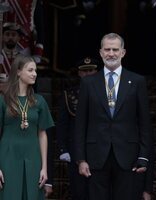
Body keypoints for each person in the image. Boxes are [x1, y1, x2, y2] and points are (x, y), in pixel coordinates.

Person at [74, 33, 153, 200]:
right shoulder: (88, 83)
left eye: (115, 49)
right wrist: (81, 159)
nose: (111, 53)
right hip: (95, 155)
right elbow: (80, 124)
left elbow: (145, 123)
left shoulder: (137, 81)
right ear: (101, 52)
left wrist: (144, 156)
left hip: (128, 155)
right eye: (107, 49)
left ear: (123, 52)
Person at [0, 54, 54, 199]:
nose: (34, 74)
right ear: (18, 72)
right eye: (30, 70)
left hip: (33, 157)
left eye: (35, 70)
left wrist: (44, 167)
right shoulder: (3, 100)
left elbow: (43, 134)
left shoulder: (39, 101)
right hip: (8, 157)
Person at [56, 57, 98, 200]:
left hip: (100, 149)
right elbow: (62, 124)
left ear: (97, 72)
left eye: (91, 70)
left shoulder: (107, 93)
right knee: (79, 191)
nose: (88, 74)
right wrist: (63, 148)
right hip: (76, 150)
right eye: (84, 71)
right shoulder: (70, 95)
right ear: (79, 73)